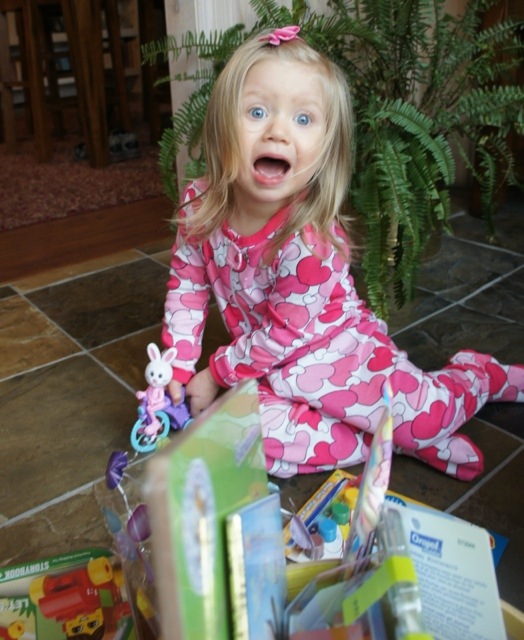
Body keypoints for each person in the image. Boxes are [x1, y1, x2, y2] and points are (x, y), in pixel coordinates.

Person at [161, 26, 524, 481]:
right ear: (220, 126)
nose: (277, 132)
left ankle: (478, 376)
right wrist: (177, 364)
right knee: (233, 435)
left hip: (339, 355)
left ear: (326, 151)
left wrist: (214, 374)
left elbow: (283, 334)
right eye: (256, 111)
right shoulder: (200, 204)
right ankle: (389, 441)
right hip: (265, 366)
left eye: (303, 119)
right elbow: (188, 286)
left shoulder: (309, 240)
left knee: (428, 418)